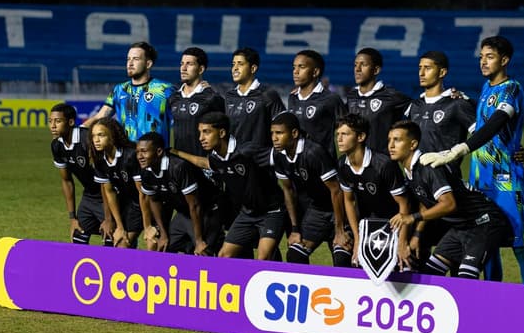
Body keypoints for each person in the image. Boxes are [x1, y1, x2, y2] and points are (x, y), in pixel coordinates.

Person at [420, 36, 524, 284]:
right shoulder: (486, 88)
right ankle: (492, 299)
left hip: (505, 179)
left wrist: (460, 149)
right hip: (479, 178)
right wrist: (465, 99)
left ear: (504, 60)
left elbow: (496, 123)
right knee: (488, 241)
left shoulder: (512, 89)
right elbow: (483, 118)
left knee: (520, 244)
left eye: (490, 57)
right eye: (481, 57)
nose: (483, 62)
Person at [387, 120, 512, 279]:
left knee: (465, 277)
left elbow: (449, 204)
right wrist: (417, 235)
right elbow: (426, 203)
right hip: (460, 227)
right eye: (389, 140)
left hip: (483, 223)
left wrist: (413, 218)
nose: (391, 145)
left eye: (397, 140)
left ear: (412, 145)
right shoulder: (411, 171)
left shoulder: (427, 166)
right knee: (430, 273)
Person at [176, 111, 286, 260]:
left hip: (271, 211)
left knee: (263, 257)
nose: (201, 138)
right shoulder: (216, 158)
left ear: (221, 132)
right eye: (200, 132)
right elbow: (203, 163)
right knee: (223, 256)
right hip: (247, 214)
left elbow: (279, 156)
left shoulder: (246, 150)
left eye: (206, 132)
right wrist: (177, 152)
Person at [270, 111, 352, 267]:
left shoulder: (313, 152)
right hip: (317, 209)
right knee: (295, 254)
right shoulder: (278, 155)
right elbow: (288, 191)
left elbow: (336, 191)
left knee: (342, 257)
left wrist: (340, 230)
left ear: (294, 133)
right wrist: (295, 229)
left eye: (279, 133)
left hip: (339, 209)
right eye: (272, 133)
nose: (274, 138)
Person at [335, 113, 412, 269]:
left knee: (399, 267)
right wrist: (357, 239)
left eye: (345, 134)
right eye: (338, 134)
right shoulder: (342, 164)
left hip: (393, 224)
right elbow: (349, 201)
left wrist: (402, 242)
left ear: (361, 137)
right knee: (342, 257)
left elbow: (405, 205)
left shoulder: (383, 165)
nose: (339, 139)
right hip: (367, 223)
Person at [136, 132, 223, 256]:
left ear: (159, 151)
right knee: (164, 247)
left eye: (144, 151)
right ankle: (190, 247)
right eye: (138, 152)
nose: (140, 156)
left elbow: (195, 205)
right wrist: (164, 234)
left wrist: (198, 241)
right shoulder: (146, 172)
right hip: (185, 213)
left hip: (207, 210)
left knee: (203, 252)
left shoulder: (178, 167)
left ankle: (217, 241)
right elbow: (154, 201)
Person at [404, 51, 476, 181]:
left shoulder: (457, 104)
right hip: (417, 181)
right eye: (420, 68)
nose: (421, 73)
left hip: (447, 180)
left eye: (428, 68)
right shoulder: (414, 106)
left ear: (442, 72)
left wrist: (513, 150)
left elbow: (483, 136)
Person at [83, 41, 174, 143]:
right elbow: (101, 116)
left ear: (148, 64)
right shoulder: (119, 90)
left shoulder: (165, 89)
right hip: (127, 154)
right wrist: (80, 129)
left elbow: (180, 120)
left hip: (155, 155)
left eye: (136, 59)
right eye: (128, 59)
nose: (130, 63)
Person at [48, 103, 112, 246]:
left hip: (108, 194)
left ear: (70, 122)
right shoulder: (56, 146)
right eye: (50, 121)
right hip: (89, 196)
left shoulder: (87, 141)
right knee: (77, 235)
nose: (53, 125)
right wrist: (72, 218)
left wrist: (108, 219)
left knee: (110, 236)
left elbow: (105, 180)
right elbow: (66, 181)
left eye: (58, 121)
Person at [89, 117, 143, 248]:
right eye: (93, 136)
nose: (96, 140)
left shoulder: (130, 156)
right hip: (125, 203)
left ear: (112, 136)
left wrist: (147, 226)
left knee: (122, 245)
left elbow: (143, 194)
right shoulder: (99, 160)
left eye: (101, 135)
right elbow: (110, 192)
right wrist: (119, 226)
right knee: (118, 242)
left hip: (142, 203)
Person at [345, 47, 411, 154]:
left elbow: (420, 108)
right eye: (355, 65)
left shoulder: (391, 96)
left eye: (363, 65)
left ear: (376, 70)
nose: (357, 69)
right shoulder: (351, 96)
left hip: (381, 163)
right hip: (354, 162)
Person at [287, 49, 346, 157]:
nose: (295, 71)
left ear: (315, 72)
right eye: (294, 67)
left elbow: (347, 132)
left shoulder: (331, 99)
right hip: (296, 164)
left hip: (322, 165)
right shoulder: (292, 97)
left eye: (301, 67)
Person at [169, 47, 226, 157]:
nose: (183, 68)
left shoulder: (211, 98)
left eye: (189, 64)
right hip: (178, 164)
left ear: (201, 69)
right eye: (182, 64)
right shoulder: (173, 98)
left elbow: (226, 132)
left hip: (203, 164)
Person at [224, 46, 285, 148]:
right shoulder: (229, 96)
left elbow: (283, 127)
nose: (235, 68)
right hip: (234, 159)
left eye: (240, 64)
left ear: (253, 68)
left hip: (260, 159)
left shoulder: (268, 95)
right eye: (233, 64)